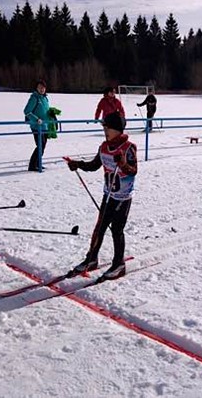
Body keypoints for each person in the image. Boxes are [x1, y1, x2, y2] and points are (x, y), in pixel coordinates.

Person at [64, 112, 137, 280]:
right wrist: (78, 164)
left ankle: (119, 264)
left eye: (108, 127)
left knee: (117, 230)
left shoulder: (128, 147)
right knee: (100, 227)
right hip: (108, 194)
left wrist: (123, 164)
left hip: (123, 197)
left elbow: (133, 171)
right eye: (104, 127)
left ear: (117, 130)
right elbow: (94, 165)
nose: (105, 130)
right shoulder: (104, 146)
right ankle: (91, 259)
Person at [24, 80, 50, 171]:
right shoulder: (34, 98)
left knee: (43, 146)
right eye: (40, 87)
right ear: (36, 88)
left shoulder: (45, 98)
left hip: (45, 126)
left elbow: (46, 111)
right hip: (37, 126)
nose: (42, 89)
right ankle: (32, 166)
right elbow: (27, 111)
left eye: (43, 87)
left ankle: (38, 163)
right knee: (40, 146)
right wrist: (36, 119)